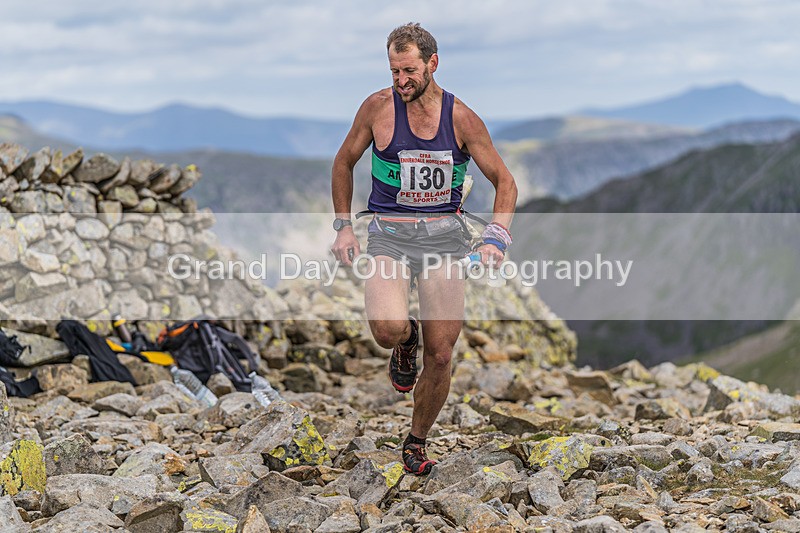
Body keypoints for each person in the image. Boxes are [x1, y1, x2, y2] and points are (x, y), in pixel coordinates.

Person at [330, 22, 517, 475]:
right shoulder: (377, 108)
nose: (401, 80)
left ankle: (416, 440)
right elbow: (343, 162)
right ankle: (405, 340)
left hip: (446, 243)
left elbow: (505, 182)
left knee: (442, 354)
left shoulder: (462, 119)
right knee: (386, 329)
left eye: (409, 71)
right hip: (390, 238)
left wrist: (497, 235)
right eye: (394, 71)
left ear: (433, 63)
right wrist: (343, 228)